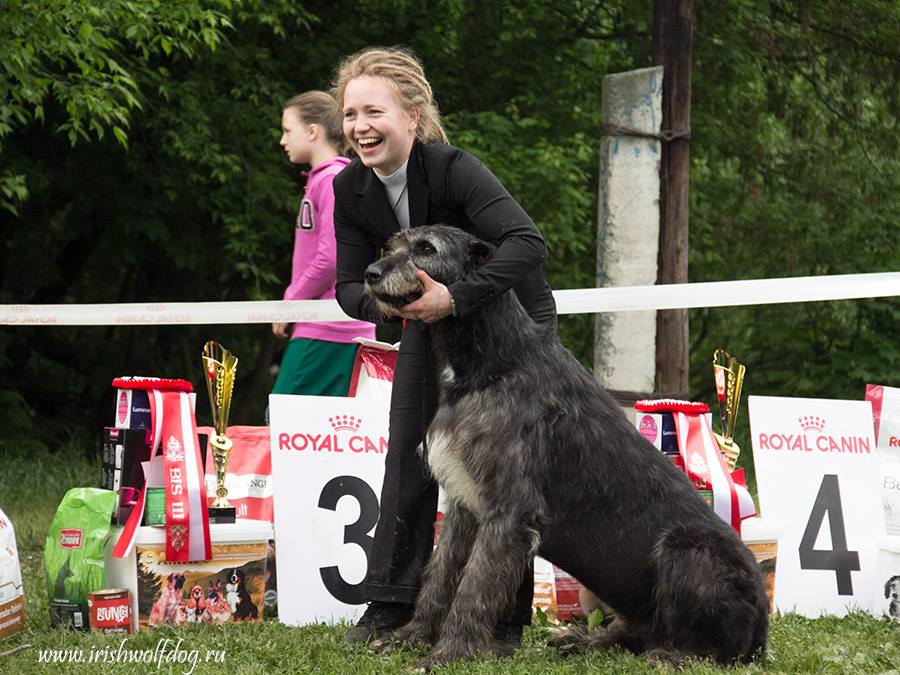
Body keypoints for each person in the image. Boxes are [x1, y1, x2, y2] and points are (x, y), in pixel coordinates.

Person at [330, 47, 557, 653]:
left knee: (501, 471)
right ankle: (390, 606)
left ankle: (502, 621)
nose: (359, 127)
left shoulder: (456, 169)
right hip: (426, 323)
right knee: (408, 451)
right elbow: (349, 286)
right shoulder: (349, 188)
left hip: (510, 325)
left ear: (412, 116)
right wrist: (398, 307)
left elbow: (526, 243)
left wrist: (452, 298)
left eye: (373, 111)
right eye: (350, 115)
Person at [271, 91, 375, 400]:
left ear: (313, 131)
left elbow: (331, 258)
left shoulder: (331, 180)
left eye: (288, 130)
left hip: (328, 326)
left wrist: (290, 303)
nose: (282, 140)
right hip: (332, 324)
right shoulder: (327, 179)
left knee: (282, 421)